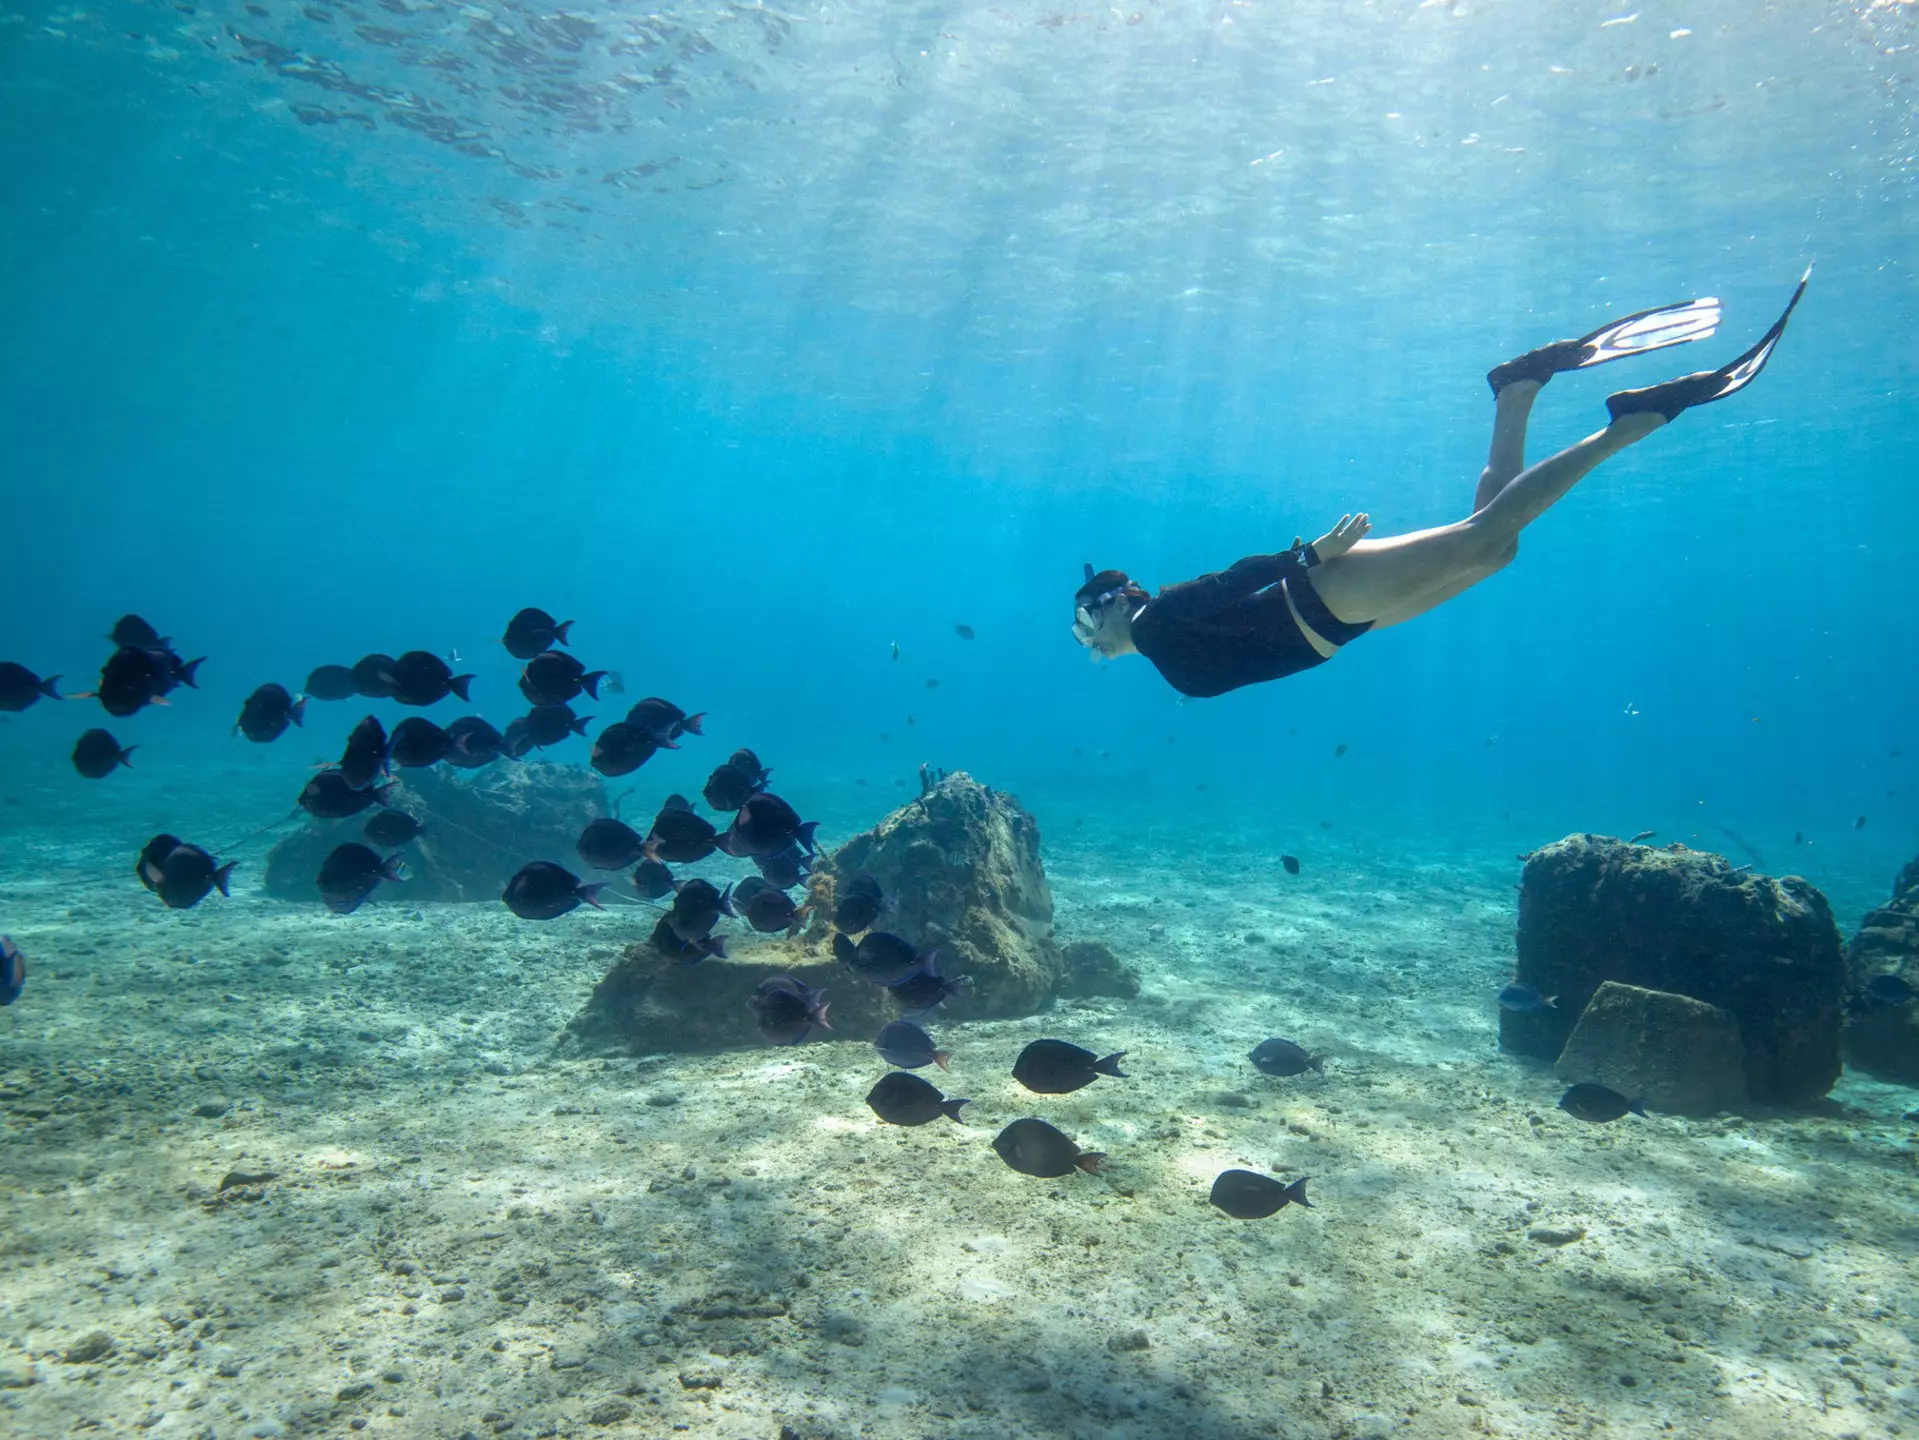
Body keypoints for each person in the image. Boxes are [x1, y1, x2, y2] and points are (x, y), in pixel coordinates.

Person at [1071, 270, 1811, 699]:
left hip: (1321, 598)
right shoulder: (1157, 640)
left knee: (1484, 539)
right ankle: (1516, 391)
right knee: (1495, 550)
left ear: (1112, 606)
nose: (1088, 643)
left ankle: (1632, 422)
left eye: (1083, 625)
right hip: (1337, 623)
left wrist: (1309, 557)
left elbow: (1222, 584)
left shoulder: (1154, 623)